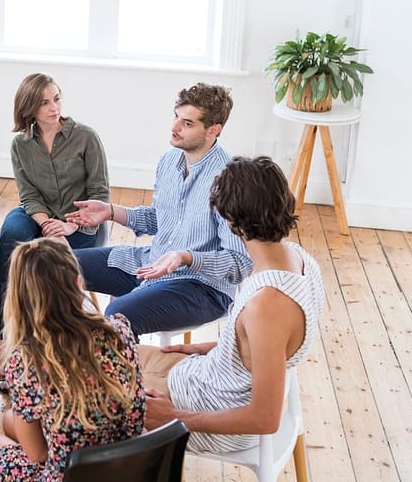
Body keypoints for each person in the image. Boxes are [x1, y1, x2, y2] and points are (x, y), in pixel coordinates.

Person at [139, 156, 325, 453]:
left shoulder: (267, 306)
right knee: (105, 356)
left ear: (230, 219)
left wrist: (174, 418)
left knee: (84, 392)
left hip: (211, 413)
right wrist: (210, 346)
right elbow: (265, 350)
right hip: (205, 377)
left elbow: (264, 419)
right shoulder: (298, 259)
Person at [65, 82, 252, 335]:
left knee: (119, 314)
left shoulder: (230, 178)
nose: (175, 127)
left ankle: (116, 373)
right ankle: (56, 358)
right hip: (151, 263)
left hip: (201, 287)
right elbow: (159, 218)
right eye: (176, 116)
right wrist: (110, 211)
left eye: (187, 123)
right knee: (54, 266)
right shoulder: (169, 159)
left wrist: (187, 257)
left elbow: (239, 262)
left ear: (213, 130)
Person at [0, 238, 146, 482]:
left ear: (19, 299)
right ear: (78, 283)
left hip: (70, 475)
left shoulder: (25, 363)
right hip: (128, 467)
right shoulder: (120, 331)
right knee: (10, 419)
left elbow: (37, 453)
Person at [0, 72, 110, 383]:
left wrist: (69, 226)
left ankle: (51, 350)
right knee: (12, 237)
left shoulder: (86, 137)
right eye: (44, 103)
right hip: (38, 214)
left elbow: (99, 194)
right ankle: (6, 339)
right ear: (29, 107)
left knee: (52, 266)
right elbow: (28, 194)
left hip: (82, 223)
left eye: (56, 99)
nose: (53, 107)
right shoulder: (21, 145)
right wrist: (45, 223)